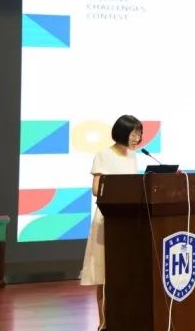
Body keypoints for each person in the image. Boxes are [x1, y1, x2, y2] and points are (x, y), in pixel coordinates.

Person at [79, 115, 143, 331]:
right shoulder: (103, 155)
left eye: (139, 133)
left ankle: (126, 319)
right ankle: (104, 323)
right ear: (122, 132)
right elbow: (96, 189)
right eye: (134, 133)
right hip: (108, 219)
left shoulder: (133, 156)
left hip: (128, 221)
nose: (137, 137)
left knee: (126, 274)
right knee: (104, 274)